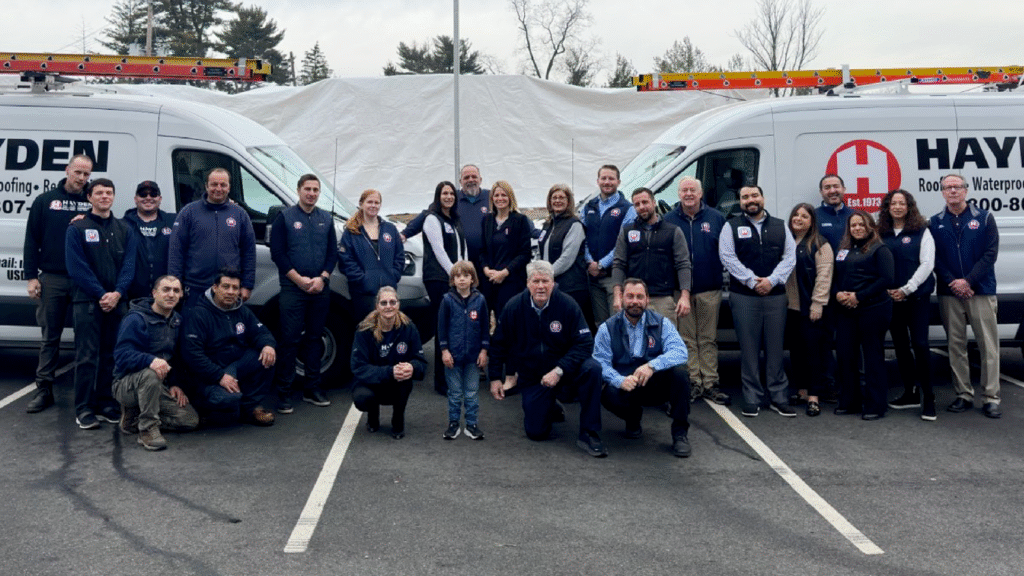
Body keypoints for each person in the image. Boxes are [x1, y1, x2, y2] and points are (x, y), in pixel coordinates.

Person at [489, 261, 607, 458]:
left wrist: (559, 370)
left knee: (593, 368)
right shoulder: (514, 306)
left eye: (545, 281)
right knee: (536, 432)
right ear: (527, 283)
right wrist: (494, 378)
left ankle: (589, 432)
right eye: (536, 281)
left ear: (553, 283)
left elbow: (585, 343)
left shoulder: (568, 305)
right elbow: (499, 344)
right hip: (535, 377)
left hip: (565, 372)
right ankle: (550, 406)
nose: (541, 286)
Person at [65, 178, 138, 429]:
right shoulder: (77, 228)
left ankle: (106, 403)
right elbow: (77, 268)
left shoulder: (124, 229)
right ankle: (84, 409)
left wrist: (117, 293)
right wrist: (101, 294)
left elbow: (129, 266)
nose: (104, 196)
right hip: (87, 302)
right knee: (87, 356)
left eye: (109, 193)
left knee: (111, 355)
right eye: (99, 193)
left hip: (117, 302)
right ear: (89, 197)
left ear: (114, 197)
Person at [23, 154, 94, 414]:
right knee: (50, 338)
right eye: (78, 172)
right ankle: (44, 390)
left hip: (84, 280)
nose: (82, 178)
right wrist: (31, 277)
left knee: (86, 338)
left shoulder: (93, 203)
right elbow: (32, 240)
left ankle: (86, 395)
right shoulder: (45, 201)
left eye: (87, 174)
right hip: (52, 278)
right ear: (67, 170)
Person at [719, 185, 796, 418]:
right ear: (740, 202)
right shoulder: (730, 226)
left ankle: (779, 396)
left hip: (775, 295)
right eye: (745, 197)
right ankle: (752, 397)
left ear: (762, 198)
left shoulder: (780, 225)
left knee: (776, 349)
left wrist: (771, 281)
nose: (750, 200)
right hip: (744, 296)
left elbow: (789, 257)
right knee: (749, 349)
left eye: (754, 196)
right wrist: (753, 281)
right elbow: (727, 257)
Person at [593, 278, 692, 457]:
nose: (635, 302)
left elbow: (680, 352)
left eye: (640, 297)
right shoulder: (607, 328)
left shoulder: (662, 323)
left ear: (647, 299)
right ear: (622, 299)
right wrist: (619, 380)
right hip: (626, 386)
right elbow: (600, 362)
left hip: (654, 385)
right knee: (607, 394)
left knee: (680, 373)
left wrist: (652, 366)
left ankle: (680, 434)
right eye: (630, 296)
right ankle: (632, 418)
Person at [930, 174, 1001, 419]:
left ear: (966, 190)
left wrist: (968, 281)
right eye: (947, 188)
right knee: (955, 345)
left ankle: (991, 397)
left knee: (988, 346)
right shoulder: (935, 222)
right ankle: (963, 394)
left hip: (980, 290)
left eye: (957, 187)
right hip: (950, 292)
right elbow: (934, 258)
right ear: (942, 192)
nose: (952, 191)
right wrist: (953, 282)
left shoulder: (984, 218)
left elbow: (990, 253)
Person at [270, 174, 338, 414]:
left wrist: (323, 278)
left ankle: (312, 388)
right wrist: (298, 280)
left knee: (314, 339)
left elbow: (332, 254)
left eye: (315, 190)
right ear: (298, 190)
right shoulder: (285, 218)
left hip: (320, 288)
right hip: (293, 289)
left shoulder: (325, 219)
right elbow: (277, 253)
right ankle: (284, 392)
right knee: (289, 340)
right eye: (307, 189)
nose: (311, 193)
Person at [112, 275, 199, 450]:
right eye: (166, 289)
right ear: (154, 293)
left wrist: (175, 383)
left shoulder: (177, 321)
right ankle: (147, 430)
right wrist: (150, 360)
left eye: (176, 290)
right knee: (150, 374)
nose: (171, 294)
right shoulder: (135, 319)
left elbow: (175, 357)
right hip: (126, 384)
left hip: (157, 385)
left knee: (190, 420)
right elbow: (121, 355)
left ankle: (133, 419)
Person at [663, 176, 730, 405]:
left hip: (709, 288)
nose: (688, 194)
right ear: (679, 194)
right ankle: (693, 382)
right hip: (680, 292)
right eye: (684, 190)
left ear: (700, 194)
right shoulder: (668, 220)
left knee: (708, 338)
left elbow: (726, 252)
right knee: (687, 339)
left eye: (693, 190)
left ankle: (710, 383)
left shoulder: (716, 218)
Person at [181, 269, 277, 427]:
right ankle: (203, 410)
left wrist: (268, 345)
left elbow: (261, 332)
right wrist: (219, 376)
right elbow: (192, 355)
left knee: (267, 357)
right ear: (215, 287)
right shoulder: (198, 314)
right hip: (210, 373)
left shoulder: (242, 311)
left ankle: (251, 408)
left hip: (235, 366)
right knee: (228, 399)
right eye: (226, 287)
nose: (231, 292)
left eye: (235, 288)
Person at [879, 190, 937, 420]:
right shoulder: (881, 232)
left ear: (909, 206)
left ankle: (929, 398)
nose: (898, 206)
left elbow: (927, 264)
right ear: (887, 207)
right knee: (901, 346)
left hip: (916, 298)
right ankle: (910, 392)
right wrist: (887, 290)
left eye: (902, 203)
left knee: (921, 345)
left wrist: (907, 289)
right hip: (891, 299)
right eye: (893, 203)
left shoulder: (922, 231)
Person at [832, 211, 895, 420]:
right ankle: (849, 401)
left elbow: (886, 279)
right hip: (846, 310)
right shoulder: (843, 250)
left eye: (861, 225)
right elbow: (835, 276)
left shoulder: (880, 249)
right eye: (853, 225)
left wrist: (859, 296)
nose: (857, 228)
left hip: (873, 309)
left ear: (870, 227)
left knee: (872, 357)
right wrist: (838, 293)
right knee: (845, 354)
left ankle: (875, 405)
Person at [168, 168, 256, 310]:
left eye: (223, 185)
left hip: (227, 290)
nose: (218, 189)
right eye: (214, 184)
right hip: (195, 288)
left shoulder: (240, 215)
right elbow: (176, 251)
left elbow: (249, 252)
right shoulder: (189, 212)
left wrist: (247, 285)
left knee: (224, 331)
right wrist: (175, 284)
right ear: (206, 186)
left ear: (229, 187)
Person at [611, 187, 692, 336]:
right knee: (633, 341)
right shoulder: (627, 231)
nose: (641, 207)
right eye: (637, 204)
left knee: (664, 342)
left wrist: (684, 297)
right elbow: (618, 263)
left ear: (654, 203)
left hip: (663, 299)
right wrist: (618, 295)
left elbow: (683, 264)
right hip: (634, 299)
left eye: (645, 202)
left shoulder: (673, 231)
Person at [351, 286, 427, 439]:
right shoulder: (364, 330)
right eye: (384, 303)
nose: (388, 306)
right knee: (361, 397)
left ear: (398, 304)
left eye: (392, 302)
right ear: (377, 306)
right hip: (372, 383)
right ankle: (373, 416)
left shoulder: (409, 328)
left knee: (405, 381)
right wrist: (390, 371)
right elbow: (358, 367)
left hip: (396, 383)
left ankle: (398, 421)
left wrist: (412, 367)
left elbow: (421, 362)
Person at [784, 204, 833, 417]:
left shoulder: (821, 244)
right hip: (790, 309)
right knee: (796, 352)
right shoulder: (786, 243)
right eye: (796, 214)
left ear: (812, 221)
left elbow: (824, 277)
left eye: (804, 216)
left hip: (810, 308)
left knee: (814, 353)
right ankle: (802, 391)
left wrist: (818, 303)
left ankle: (814, 397)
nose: (799, 219)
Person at [422, 181, 467, 394]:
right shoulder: (432, 219)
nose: (448, 196)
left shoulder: (455, 220)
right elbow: (439, 251)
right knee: (443, 329)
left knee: (454, 327)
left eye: (451, 193)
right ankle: (441, 382)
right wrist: (456, 275)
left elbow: (462, 250)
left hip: (455, 278)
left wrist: (465, 273)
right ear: (438, 196)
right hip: (439, 279)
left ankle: (453, 376)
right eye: (444, 193)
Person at [437, 261, 489, 440]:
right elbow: (441, 328)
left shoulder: (480, 300)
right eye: (458, 276)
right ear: (452, 279)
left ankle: (472, 424)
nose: (462, 280)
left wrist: (484, 350)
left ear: (472, 279)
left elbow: (484, 328)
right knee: (455, 392)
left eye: (466, 276)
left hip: (473, 357)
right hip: (453, 356)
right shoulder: (447, 301)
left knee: (472, 392)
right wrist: (444, 351)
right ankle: (453, 423)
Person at [339, 188, 405, 324]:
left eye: (377, 202)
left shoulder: (390, 229)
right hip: (363, 293)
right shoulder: (352, 231)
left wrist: (393, 275)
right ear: (361, 204)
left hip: (388, 294)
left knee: (388, 331)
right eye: (370, 202)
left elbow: (399, 256)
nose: (373, 205)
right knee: (367, 332)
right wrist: (363, 280)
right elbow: (346, 261)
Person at [583, 165, 637, 325]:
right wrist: (590, 262)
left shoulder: (627, 209)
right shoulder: (589, 207)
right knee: (600, 324)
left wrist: (601, 265)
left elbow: (624, 243)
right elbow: (582, 237)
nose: (607, 182)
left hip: (614, 278)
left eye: (611, 178)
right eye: (603, 178)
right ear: (597, 181)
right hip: (592, 278)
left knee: (618, 323)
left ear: (618, 182)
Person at [538, 184, 594, 332]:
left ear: (569, 202)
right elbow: (540, 251)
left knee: (572, 328)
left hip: (572, 288)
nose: (557, 201)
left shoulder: (574, 225)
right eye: (554, 197)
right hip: (553, 285)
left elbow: (567, 258)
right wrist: (537, 271)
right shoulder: (547, 225)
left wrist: (544, 275)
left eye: (562, 197)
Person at [480, 180, 532, 317]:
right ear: (492, 198)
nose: (500, 198)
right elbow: (482, 250)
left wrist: (504, 272)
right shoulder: (487, 221)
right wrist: (486, 269)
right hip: (490, 281)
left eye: (504, 195)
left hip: (511, 281)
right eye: (496, 195)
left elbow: (525, 253)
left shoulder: (520, 220)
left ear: (510, 198)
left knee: (509, 322)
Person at [123, 180, 176, 300]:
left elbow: (199, 219)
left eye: (153, 194)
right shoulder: (123, 224)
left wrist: (227, 205)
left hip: (166, 295)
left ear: (160, 198)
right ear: (136, 198)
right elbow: (101, 223)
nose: (148, 198)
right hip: (133, 296)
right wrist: (84, 217)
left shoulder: (174, 221)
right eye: (143, 194)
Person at [815, 174, 854, 252]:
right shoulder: (812, 216)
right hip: (823, 263)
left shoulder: (855, 215)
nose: (832, 191)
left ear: (844, 189)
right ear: (821, 192)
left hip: (851, 263)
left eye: (836, 186)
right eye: (827, 187)